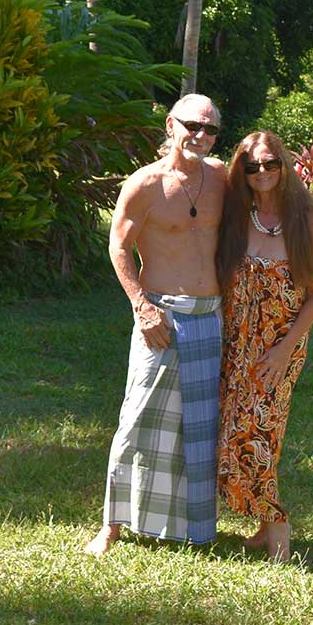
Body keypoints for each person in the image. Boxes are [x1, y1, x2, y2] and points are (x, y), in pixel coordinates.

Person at [84, 93, 227, 556]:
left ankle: (196, 528)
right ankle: (111, 526)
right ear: (171, 125)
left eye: (210, 129)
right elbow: (119, 247)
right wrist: (141, 308)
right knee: (136, 420)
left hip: (210, 315)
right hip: (160, 315)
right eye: (193, 125)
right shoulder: (145, 184)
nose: (200, 136)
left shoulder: (222, 178)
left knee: (200, 426)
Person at [215, 130, 313, 562]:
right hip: (237, 343)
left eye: (269, 164)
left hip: (279, 348)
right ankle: (264, 525)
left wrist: (284, 350)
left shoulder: (305, 222)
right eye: (252, 166)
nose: (261, 172)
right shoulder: (237, 219)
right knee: (232, 430)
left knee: (261, 431)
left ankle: (278, 525)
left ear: (283, 166)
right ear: (241, 173)